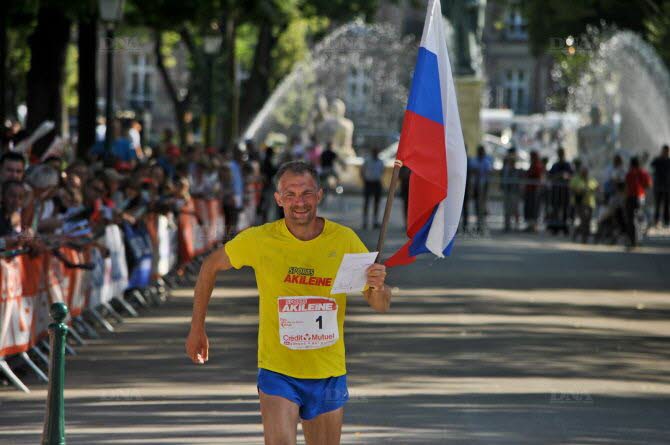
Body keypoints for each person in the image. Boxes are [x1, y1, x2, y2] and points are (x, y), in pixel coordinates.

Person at [185, 161, 391, 445]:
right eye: (290, 194)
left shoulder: (344, 240)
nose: (299, 202)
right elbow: (210, 266)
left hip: (327, 372)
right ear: (278, 199)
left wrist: (378, 286)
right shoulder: (260, 239)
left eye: (306, 193)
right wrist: (197, 328)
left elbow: (380, 304)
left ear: (319, 195)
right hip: (278, 370)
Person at [624, 156, 652, 248]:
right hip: (640, 197)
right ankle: (638, 239)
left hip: (631, 197)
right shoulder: (643, 172)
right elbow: (649, 184)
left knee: (631, 219)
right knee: (639, 218)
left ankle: (633, 240)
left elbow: (626, 186)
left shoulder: (629, 173)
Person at [546, 147, 573, 234]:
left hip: (565, 191)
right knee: (555, 208)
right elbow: (550, 176)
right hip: (556, 190)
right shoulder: (555, 165)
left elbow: (571, 175)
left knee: (565, 209)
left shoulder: (567, 165)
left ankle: (564, 226)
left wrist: (565, 176)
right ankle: (555, 226)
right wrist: (558, 176)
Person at [569, 167, 598, 243]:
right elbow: (571, 188)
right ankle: (584, 238)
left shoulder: (591, 179)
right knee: (584, 219)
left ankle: (577, 233)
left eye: (586, 172)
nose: (584, 173)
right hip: (579, 203)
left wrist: (592, 189)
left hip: (590, 203)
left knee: (587, 220)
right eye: (583, 172)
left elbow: (597, 187)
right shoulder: (576, 179)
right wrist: (579, 190)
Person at [470, 144, 492, 233]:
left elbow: (488, 172)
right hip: (476, 186)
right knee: (477, 206)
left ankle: (482, 224)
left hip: (483, 187)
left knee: (483, 206)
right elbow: (472, 170)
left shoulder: (486, 161)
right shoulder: (475, 160)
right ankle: (478, 224)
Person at [360, 148, 384, 229]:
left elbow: (381, 171)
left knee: (376, 203)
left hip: (376, 182)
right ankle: (365, 221)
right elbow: (362, 171)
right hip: (369, 182)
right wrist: (364, 179)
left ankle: (375, 221)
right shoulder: (367, 161)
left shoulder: (380, 162)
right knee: (367, 202)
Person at [501, 148, 522, 232]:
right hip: (507, 190)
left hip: (514, 192)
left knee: (515, 209)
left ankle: (516, 225)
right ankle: (507, 225)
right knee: (507, 208)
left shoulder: (516, 170)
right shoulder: (506, 168)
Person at [524, 150, 544, 232]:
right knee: (529, 208)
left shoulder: (537, 166)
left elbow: (538, 177)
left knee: (534, 208)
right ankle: (530, 225)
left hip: (534, 190)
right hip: (529, 190)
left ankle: (534, 226)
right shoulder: (532, 165)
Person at [650, 144, 670, 227]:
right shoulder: (657, 160)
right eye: (664, 151)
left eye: (667, 151)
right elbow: (651, 166)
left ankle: (666, 221)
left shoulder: (669, 161)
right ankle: (656, 221)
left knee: (666, 205)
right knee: (657, 204)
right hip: (658, 186)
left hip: (667, 186)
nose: (665, 152)